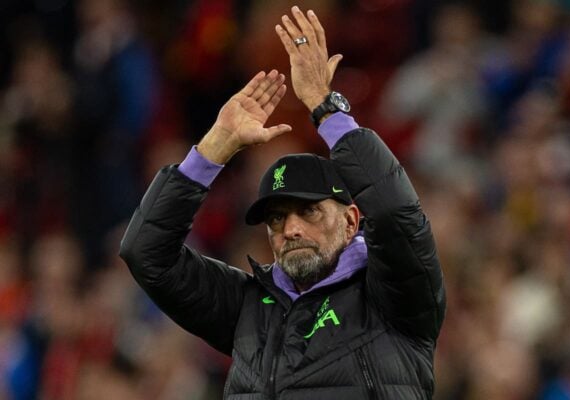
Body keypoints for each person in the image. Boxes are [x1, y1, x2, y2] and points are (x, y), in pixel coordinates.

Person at [120, 6, 445, 399]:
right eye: (276, 218)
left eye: (309, 211)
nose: (291, 229)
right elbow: (145, 254)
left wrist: (326, 108)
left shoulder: (391, 294)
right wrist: (213, 149)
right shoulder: (248, 309)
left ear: (351, 220)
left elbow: (394, 214)